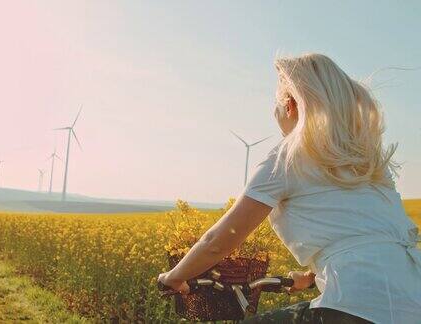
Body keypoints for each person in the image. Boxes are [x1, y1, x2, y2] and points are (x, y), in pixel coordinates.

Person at [157, 53, 421, 323]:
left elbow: (219, 241)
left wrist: (174, 276)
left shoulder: (288, 156)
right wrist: (311, 276)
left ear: (291, 104)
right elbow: (367, 237)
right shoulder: (368, 160)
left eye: (276, 104)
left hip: (355, 304)